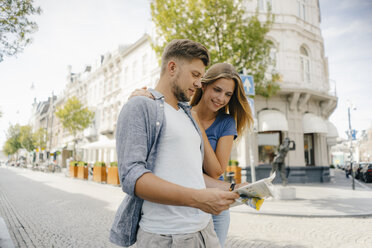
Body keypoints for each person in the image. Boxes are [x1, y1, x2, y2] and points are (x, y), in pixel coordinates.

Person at [110, 39, 241, 248]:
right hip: (167, 237)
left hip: (205, 232)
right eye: (195, 75)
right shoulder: (141, 106)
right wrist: (198, 199)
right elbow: (132, 177)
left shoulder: (189, 115)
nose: (199, 83)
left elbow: (192, 175)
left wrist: (237, 188)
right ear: (172, 67)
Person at [130, 63, 253, 247]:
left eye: (228, 94)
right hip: (179, 203)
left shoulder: (226, 123)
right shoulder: (180, 110)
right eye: (217, 90)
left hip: (214, 203)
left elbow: (215, 171)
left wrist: (197, 125)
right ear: (203, 85)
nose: (221, 99)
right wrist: (138, 96)